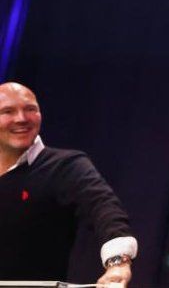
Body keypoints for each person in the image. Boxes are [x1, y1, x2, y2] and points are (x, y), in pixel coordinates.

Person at [0, 82, 137, 286]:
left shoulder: (65, 167)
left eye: (31, 109)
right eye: (8, 111)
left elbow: (104, 209)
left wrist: (117, 263)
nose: (21, 119)